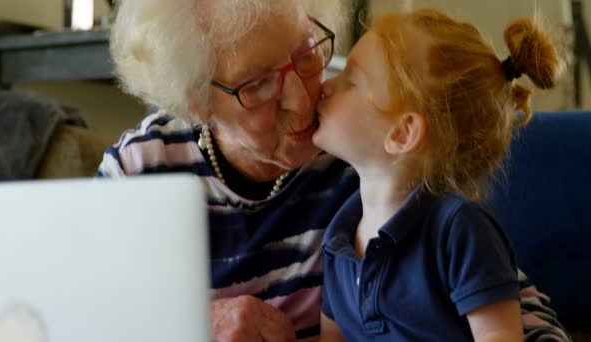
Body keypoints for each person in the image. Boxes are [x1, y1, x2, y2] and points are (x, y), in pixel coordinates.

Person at [98, 1, 570, 341]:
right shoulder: (141, 172)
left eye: (306, 54)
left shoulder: (368, 147)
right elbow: (65, 319)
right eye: (258, 84)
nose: (306, 99)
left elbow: (511, 304)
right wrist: (189, 325)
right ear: (195, 103)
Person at [314, 9, 565, 342]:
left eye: (350, 81)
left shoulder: (460, 231)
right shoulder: (338, 241)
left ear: (403, 133)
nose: (326, 86)